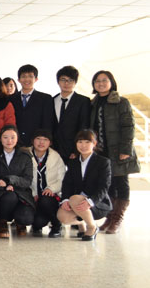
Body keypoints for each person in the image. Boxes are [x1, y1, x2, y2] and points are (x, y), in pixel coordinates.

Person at [90, 70, 140, 234]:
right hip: (101, 152)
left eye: (104, 80)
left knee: (121, 184)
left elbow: (129, 126)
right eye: (97, 81)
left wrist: (126, 149)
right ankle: (110, 217)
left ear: (111, 82)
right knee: (108, 185)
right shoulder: (93, 103)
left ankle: (118, 218)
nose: (101, 83)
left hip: (118, 150)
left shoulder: (121, 102)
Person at [58, 130, 112, 241]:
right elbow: (67, 184)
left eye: (87, 142)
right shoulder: (73, 162)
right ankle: (82, 223)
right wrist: (65, 200)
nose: (83, 145)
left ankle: (92, 227)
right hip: (77, 203)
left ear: (94, 144)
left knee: (75, 198)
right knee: (62, 216)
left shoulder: (103, 162)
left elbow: (104, 187)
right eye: (80, 142)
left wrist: (90, 202)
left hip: (97, 203)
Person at [0, 125, 35, 238]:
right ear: (0, 138)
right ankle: (2, 221)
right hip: (1, 193)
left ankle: (19, 221)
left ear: (17, 138)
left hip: (22, 194)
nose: (9, 141)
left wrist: (11, 181)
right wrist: (4, 186)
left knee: (26, 218)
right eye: (5, 137)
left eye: (12, 137)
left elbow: (27, 180)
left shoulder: (25, 156)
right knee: (10, 196)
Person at [29, 129, 66, 238]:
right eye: (38, 139)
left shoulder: (55, 156)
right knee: (37, 223)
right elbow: (23, 177)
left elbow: (62, 179)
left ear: (50, 142)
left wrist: (51, 189)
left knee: (45, 200)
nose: (41, 142)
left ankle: (56, 225)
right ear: (33, 140)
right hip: (32, 197)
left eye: (45, 139)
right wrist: (33, 192)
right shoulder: (25, 154)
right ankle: (38, 223)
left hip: (50, 197)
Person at [10, 64, 55, 146]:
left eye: (30, 76)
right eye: (23, 76)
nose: (27, 79)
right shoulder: (11, 99)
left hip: (36, 143)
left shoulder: (45, 98)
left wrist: (44, 142)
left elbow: (47, 123)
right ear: (19, 80)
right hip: (14, 142)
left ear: (36, 79)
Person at [53, 65, 91, 161]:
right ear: (58, 81)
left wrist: (77, 150)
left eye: (70, 80)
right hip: (54, 149)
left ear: (75, 82)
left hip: (73, 150)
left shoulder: (83, 101)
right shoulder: (52, 100)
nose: (66, 83)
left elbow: (84, 126)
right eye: (63, 80)